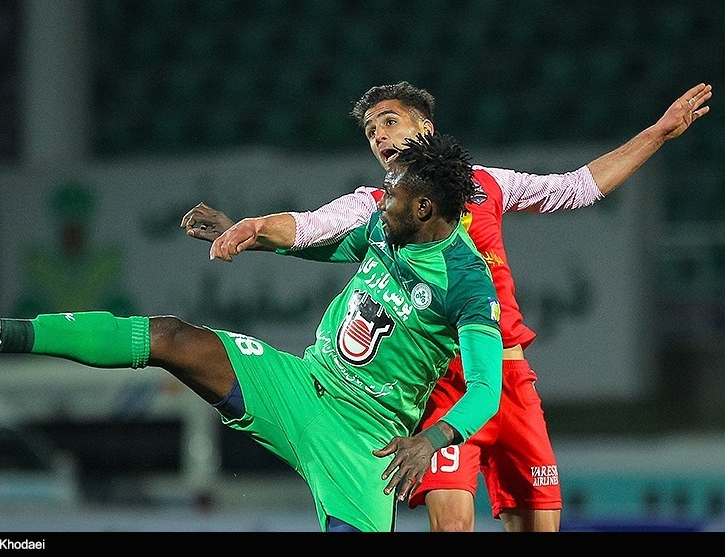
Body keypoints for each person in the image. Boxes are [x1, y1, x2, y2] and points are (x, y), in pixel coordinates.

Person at [182, 81, 713, 532]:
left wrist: (659, 132)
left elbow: (577, 187)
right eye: (370, 132)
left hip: (507, 378)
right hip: (440, 387)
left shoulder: (488, 184)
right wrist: (249, 229)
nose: (378, 136)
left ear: (426, 130)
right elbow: (307, 227)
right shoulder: (373, 208)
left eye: (388, 121)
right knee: (453, 525)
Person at [0, 132, 504, 533]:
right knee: (172, 337)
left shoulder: (468, 284)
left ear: (425, 206)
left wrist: (430, 442)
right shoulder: (386, 227)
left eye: (396, 192)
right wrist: (245, 232)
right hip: (302, 383)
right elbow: (323, 243)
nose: (383, 198)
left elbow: (484, 390)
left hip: (367, 441)